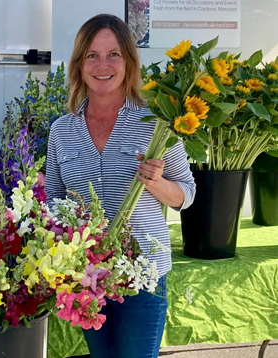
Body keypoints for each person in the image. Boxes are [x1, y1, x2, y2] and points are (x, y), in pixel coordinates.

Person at [45, 14, 196, 358]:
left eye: (113, 54)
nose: (103, 65)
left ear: (129, 61)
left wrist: (157, 183)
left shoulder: (156, 124)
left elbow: (187, 194)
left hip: (143, 276)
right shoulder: (62, 130)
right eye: (92, 55)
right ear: (79, 65)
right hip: (86, 276)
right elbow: (52, 200)